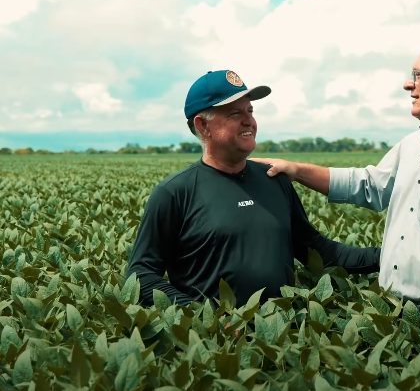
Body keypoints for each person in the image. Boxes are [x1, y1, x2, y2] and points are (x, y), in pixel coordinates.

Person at [250, 35, 420, 335]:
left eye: (419, 75)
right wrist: (296, 169)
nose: (409, 85)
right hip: (392, 317)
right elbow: (368, 185)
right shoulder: (411, 145)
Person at [125, 69, 381, 310]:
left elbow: (318, 250)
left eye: (250, 110)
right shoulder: (175, 193)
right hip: (215, 345)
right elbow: (142, 276)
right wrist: (202, 318)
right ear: (203, 125)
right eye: (235, 114)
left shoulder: (274, 179)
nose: (250, 121)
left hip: (281, 339)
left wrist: (389, 256)